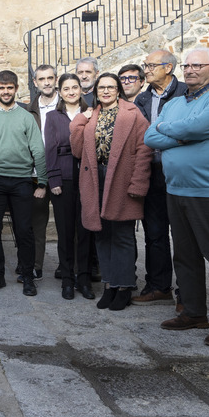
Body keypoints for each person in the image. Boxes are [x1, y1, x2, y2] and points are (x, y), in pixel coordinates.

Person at [145, 48, 209, 347]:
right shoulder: (173, 103)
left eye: (198, 65)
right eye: (187, 65)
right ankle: (194, 313)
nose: (190, 70)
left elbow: (197, 126)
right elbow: (150, 137)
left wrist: (176, 132)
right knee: (185, 257)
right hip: (175, 190)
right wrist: (183, 134)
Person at [71, 73, 152, 311]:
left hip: (121, 180)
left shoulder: (133, 114)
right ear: (96, 91)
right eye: (102, 87)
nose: (106, 91)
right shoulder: (91, 115)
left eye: (111, 87)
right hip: (95, 178)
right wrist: (78, 121)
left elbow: (144, 150)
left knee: (123, 236)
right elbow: (77, 150)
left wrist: (138, 185)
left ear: (119, 90)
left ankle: (124, 286)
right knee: (101, 234)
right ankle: (109, 285)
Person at [0, 70, 47, 296]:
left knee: (24, 231)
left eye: (10, 87)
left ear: (16, 89)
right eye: (2, 87)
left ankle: (27, 276)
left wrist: (42, 182)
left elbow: (38, 149)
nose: (6, 91)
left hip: (22, 182)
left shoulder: (26, 117)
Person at [132, 49, 187, 305]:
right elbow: (141, 137)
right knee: (154, 233)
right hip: (151, 172)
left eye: (152, 65)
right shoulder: (142, 99)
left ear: (169, 67)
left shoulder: (186, 94)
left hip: (180, 172)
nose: (147, 69)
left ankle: (186, 293)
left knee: (184, 235)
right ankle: (158, 285)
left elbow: (187, 131)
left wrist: (160, 137)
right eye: (146, 65)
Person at [44, 74, 91, 300]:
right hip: (63, 179)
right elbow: (50, 149)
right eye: (66, 88)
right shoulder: (53, 116)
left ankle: (84, 278)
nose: (71, 92)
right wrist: (53, 179)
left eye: (75, 87)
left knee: (84, 231)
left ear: (81, 89)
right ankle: (67, 280)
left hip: (87, 178)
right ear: (60, 92)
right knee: (65, 232)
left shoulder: (91, 113)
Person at [26, 64, 59, 280]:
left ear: (55, 79)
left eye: (50, 78)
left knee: (68, 226)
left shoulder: (68, 104)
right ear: (35, 82)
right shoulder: (29, 110)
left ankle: (69, 267)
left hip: (61, 173)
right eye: (41, 79)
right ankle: (35, 266)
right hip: (35, 175)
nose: (46, 82)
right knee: (36, 225)